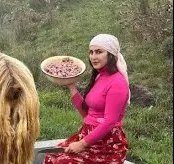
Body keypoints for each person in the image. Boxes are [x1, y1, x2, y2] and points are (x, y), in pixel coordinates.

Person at [44, 34, 131, 164]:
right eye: (91, 52)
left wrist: (82, 144)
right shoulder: (99, 77)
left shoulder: (118, 83)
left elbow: (109, 122)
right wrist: (71, 86)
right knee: (51, 156)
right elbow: (86, 113)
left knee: (61, 162)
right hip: (89, 136)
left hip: (107, 144)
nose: (93, 57)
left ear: (111, 55)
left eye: (99, 52)